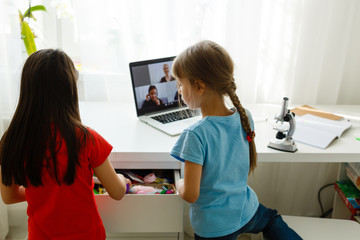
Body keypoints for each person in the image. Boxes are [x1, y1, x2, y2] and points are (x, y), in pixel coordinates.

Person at [170, 40, 302, 240]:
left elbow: (190, 194)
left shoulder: (195, 135)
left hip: (213, 228)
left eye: (181, 84)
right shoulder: (244, 115)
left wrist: (178, 183)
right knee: (272, 219)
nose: (179, 90)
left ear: (199, 86)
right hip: (246, 210)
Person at [0, 49, 131, 240]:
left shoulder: (14, 140)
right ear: (70, 90)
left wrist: (40, 189)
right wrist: (122, 180)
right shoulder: (87, 138)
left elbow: (9, 197)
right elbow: (117, 192)